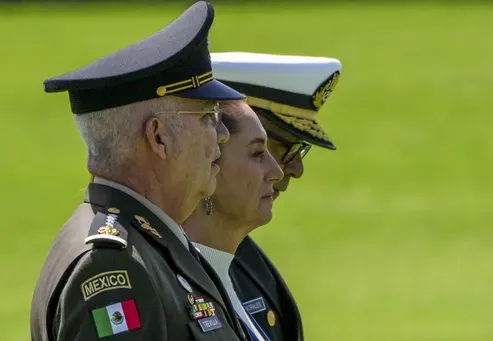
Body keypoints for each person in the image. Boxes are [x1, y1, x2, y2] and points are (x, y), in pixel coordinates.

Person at [30, 3, 249, 341]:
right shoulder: (112, 267)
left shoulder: (148, 242)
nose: (221, 133)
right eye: (207, 115)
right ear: (158, 136)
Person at [210, 52, 343, 341]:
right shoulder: (144, 268)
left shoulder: (246, 264)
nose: (294, 169)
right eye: (284, 146)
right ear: (210, 140)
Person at [182, 99, 284, 341]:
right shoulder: (175, 288)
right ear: (208, 167)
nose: (277, 172)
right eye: (257, 153)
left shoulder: (222, 275)